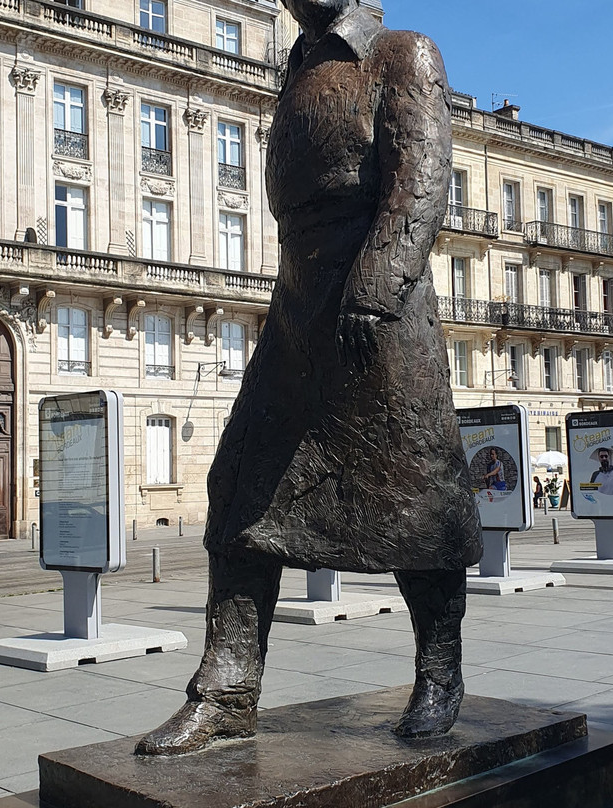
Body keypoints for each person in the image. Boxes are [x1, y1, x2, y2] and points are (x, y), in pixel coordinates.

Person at [136, 0, 481, 756]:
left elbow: (420, 180)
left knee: (412, 497)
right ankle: (226, 691)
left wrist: (378, 283)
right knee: (239, 491)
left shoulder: (401, 54)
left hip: (375, 311)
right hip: (297, 305)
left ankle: (439, 672)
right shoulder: (295, 69)